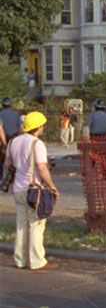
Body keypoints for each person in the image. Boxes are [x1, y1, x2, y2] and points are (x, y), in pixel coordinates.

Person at [3, 111, 59, 271]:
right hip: (34, 190)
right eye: (41, 125)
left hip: (17, 188)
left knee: (21, 224)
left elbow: (7, 164)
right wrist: (52, 186)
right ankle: (37, 261)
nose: (42, 127)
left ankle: (20, 259)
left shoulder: (13, 142)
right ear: (37, 127)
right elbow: (42, 168)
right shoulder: (37, 144)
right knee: (36, 223)